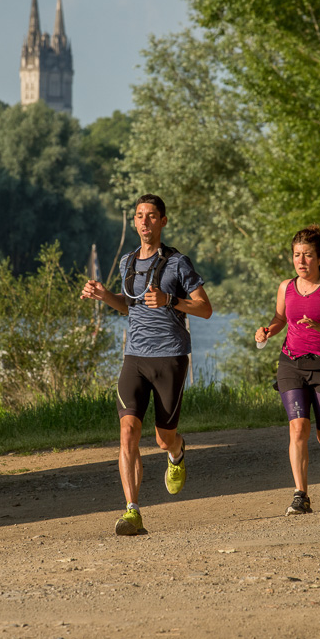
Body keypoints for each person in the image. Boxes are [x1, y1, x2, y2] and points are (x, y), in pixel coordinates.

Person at [81, 194, 213, 536]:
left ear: (163, 221)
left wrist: (171, 300)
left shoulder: (177, 263)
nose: (145, 222)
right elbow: (129, 307)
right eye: (139, 216)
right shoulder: (127, 262)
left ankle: (177, 450)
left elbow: (204, 308)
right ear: (134, 222)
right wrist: (104, 295)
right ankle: (132, 512)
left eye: (152, 216)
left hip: (170, 356)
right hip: (135, 357)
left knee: (162, 437)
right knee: (128, 432)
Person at [254, 225, 320, 515]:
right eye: (297, 255)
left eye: (308, 255)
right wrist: (267, 331)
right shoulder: (286, 287)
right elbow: (279, 318)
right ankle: (301, 496)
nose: (301, 261)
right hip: (292, 363)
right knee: (298, 428)